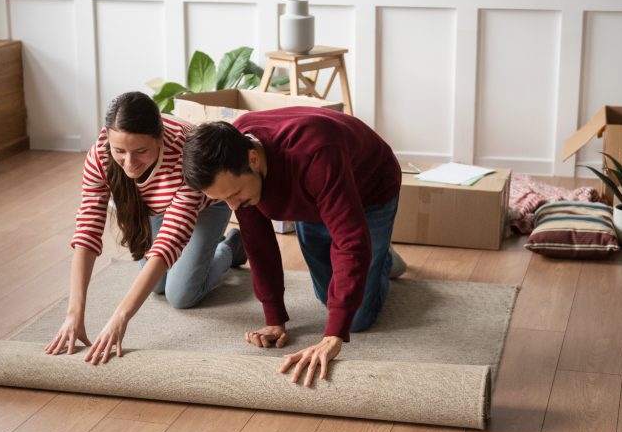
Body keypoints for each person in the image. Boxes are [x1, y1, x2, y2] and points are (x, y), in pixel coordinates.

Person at [182, 106, 404, 387]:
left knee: (356, 318)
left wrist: (332, 337)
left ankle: (379, 254)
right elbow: (258, 244)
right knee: (329, 295)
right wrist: (274, 317)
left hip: (370, 187)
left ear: (253, 159)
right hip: (313, 196)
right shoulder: (234, 159)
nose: (233, 206)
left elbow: (350, 242)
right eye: (223, 200)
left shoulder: (315, 155)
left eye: (235, 194)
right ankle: (376, 251)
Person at [44, 92, 246, 364]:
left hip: (207, 203)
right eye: (120, 152)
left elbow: (169, 242)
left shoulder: (183, 154)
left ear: (160, 138)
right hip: (155, 204)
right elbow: (87, 230)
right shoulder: (99, 156)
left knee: (180, 295)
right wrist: (73, 314)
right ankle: (204, 247)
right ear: (107, 137)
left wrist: (119, 318)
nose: (129, 163)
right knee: (157, 286)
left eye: (140, 151)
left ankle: (229, 248)